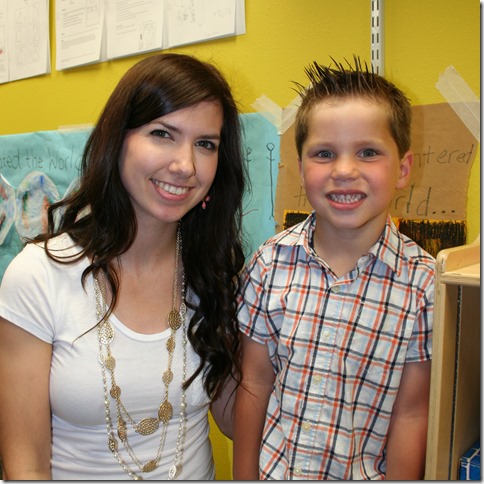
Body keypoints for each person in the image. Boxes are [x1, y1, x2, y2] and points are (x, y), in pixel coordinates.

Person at [0, 53, 246, 480]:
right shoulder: (39, 275)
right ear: (117, 142)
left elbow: (233, 419)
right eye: (162, 134)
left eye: (205, 144)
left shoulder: (212, 271)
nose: (185, 165)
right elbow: (25, 462)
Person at [233, 57, 435, 480]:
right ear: (301, 168)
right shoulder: (269, 264)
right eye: (324, 154)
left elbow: (412, 414)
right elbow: (254, 384)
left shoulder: (425, 285)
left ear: (403, 170)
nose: (344, 171)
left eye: (368, 152)